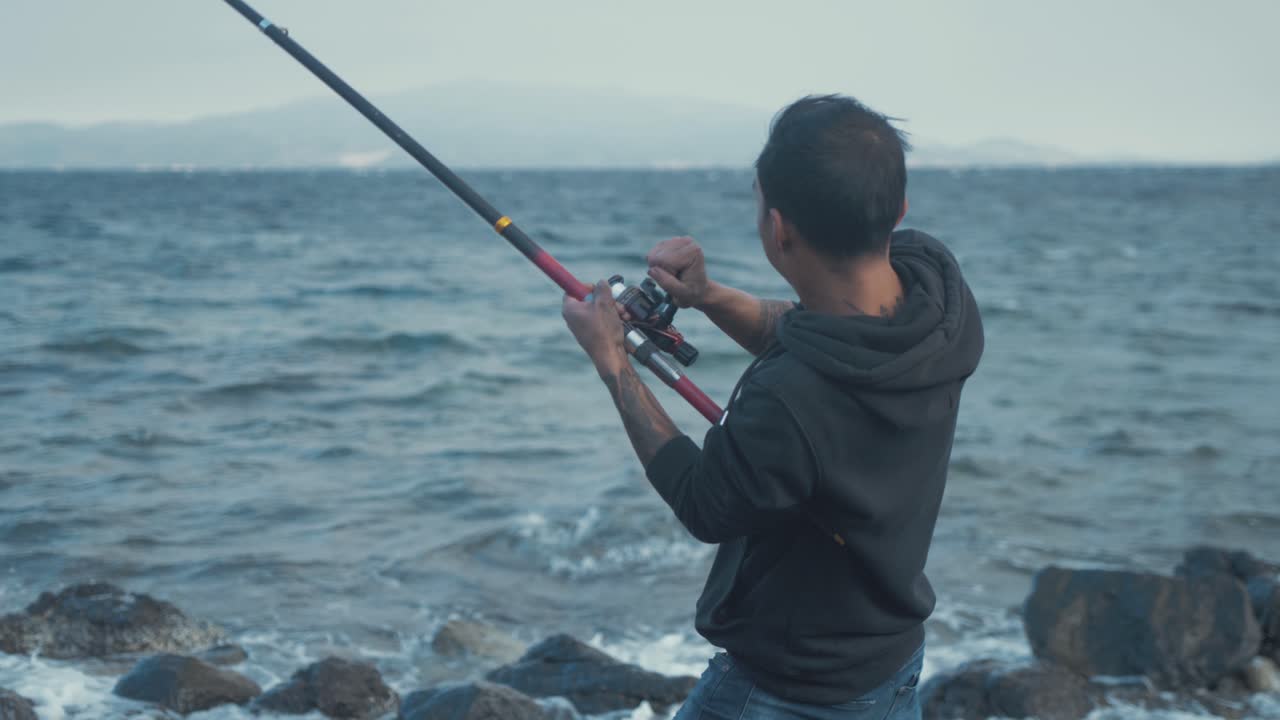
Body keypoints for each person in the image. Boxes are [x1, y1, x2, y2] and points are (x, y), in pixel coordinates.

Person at [561, 94, 984, 720]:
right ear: (897, 210)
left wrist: (613, 364)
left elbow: (706, 502)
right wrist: (705, 295)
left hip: (787, 689)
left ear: (778, 228)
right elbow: (819, 332)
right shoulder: (936, 297)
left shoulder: (791, 397)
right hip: (890, 662)